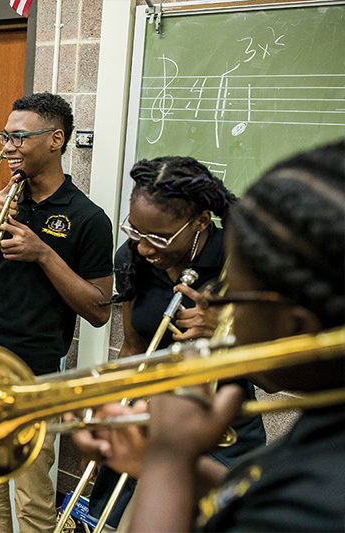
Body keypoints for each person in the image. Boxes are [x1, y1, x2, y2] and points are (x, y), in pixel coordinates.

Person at [120, 140, 345, 531]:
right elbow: (248, 497)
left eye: (234, 301)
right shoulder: (321, 432)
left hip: (217, 433)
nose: (142, 247)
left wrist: (169, 462)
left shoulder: (322, 495)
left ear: (294, 326)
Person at [72, 157, 266, 528]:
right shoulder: (133, 258)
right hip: (146, 418)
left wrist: (227, 335)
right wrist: (106, 419)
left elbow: (277, 372)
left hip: (223, 428)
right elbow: (132, 347)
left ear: (201, 222)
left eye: (159, 237)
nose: (145, 248)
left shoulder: (240, 258)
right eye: (136, 232)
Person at [0, 93, 114, 532]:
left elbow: (99, 310)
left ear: (56, 140)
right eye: (4, 136)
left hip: (39, 371)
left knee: (33, 494)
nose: (7, 146)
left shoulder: (88, 218)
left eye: (18, 137)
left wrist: (43, 253)